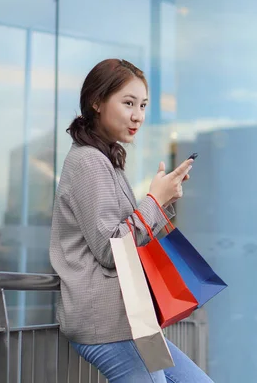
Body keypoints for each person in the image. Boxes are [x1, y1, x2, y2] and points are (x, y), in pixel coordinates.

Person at [49, 59, 213, 382]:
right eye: (128, 103)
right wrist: (154, 200)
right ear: (97, 101)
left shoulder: (106, 160)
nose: (138, 114)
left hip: (131, 319)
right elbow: (112, 249)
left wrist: (163, 201)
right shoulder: (88, 162)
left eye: (143, 105)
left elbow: (129, 231)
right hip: (108, 324)